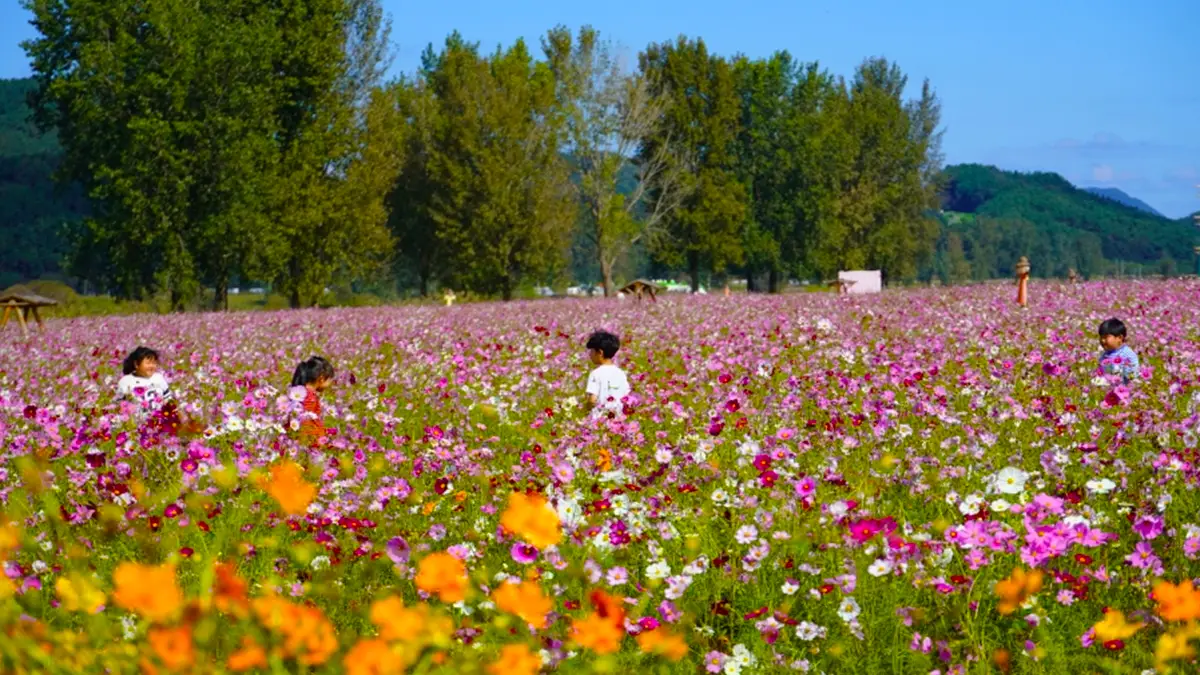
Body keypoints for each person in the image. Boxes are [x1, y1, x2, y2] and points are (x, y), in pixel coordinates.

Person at [291, 356, 335, 444]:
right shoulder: (310, 397)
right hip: (310, 441)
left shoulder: (301, 393)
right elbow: (305, 421)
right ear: (321, 379)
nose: (330, 384)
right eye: (330, 380)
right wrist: (308, 442)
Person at [584, 330, 630, 413]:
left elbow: (592, 400)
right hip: (618, 419)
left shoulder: (595, 373)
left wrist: (586, 408)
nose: (590, 354)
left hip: (599, 421)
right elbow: (626, 397)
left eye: (592, 351)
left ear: (600, 353)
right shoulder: (621, 373)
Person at [1097, 318, 1139, 383]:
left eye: (1105, 337)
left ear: (1120, 338)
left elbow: (1133, 375)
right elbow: (1101, 372)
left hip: (1124, 389)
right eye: (1101, 337)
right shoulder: (1105, 354)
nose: (1102, 340)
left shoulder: (1128, 354)